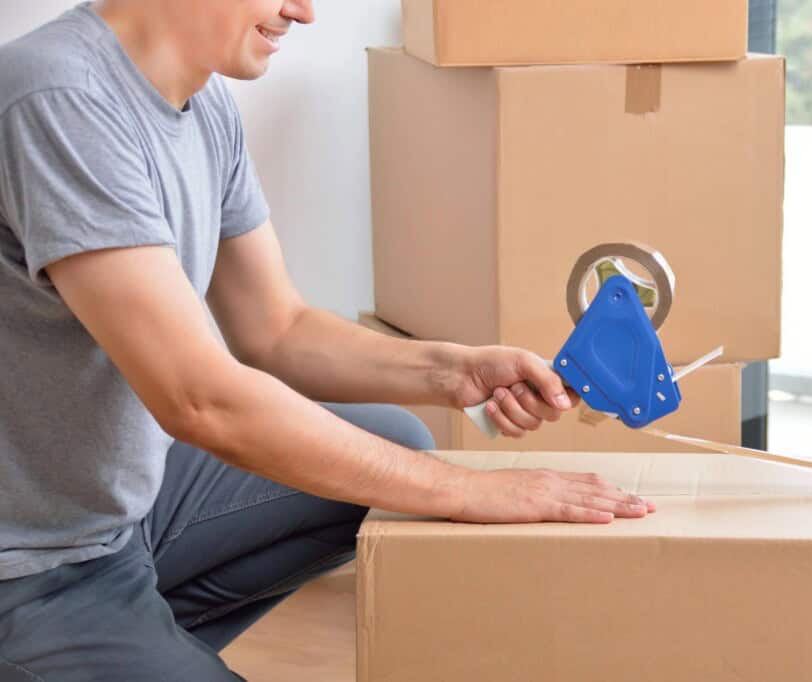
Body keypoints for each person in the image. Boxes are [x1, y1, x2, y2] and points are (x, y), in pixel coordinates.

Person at [0, 1, 655, 678]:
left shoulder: (203, 104)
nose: (303, 12)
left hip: (119, 506)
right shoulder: (59, 98)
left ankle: (124, 638)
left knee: (396, 446)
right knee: (411, 479)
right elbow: (199, 401)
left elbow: (276, 330)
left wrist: (452, 371)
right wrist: (468, 490)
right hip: (30, 564)